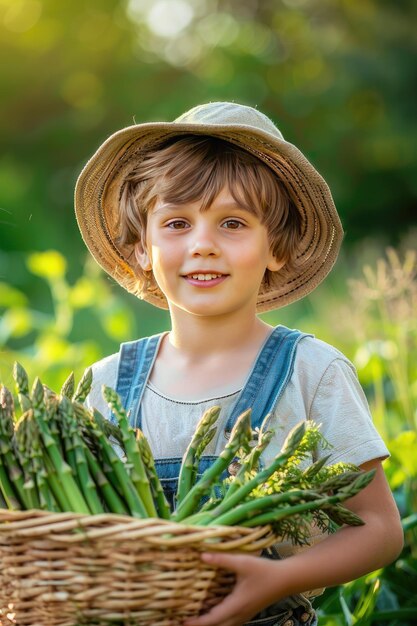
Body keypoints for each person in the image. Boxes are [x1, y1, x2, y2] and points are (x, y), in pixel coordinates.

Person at [74, 102, 403, 626]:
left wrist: (280, 578)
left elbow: (379, 529)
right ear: (141, 248)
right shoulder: (105, 383)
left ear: (276, 247)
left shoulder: (311, 371)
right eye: (177, 223)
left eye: (232, 223)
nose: (203, 245)